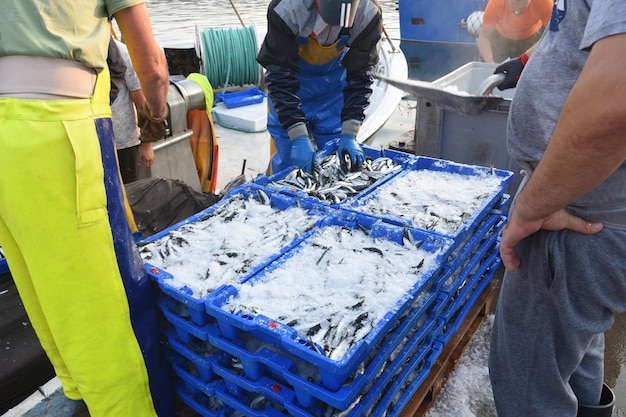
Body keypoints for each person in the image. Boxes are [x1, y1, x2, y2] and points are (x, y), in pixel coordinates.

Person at [0, 2, 174, 417]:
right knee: (108, 301)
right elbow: (151, 68)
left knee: (40, 278)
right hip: (55, 125)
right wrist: (157, 112)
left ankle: (77, 391)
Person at [488, 0, 626, 416]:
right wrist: (527, 62)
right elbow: (583, 39)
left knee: (527, 385)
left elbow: (613, 107)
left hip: (579, 213)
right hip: (583, 205)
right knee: (577, 346)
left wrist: (530, 208)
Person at [257, 0, 382, 174]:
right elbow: (279, 76)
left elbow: (360, 74)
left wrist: (350, 132)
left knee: (337, 166)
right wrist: (298, 135)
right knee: (286, 167)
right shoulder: (286, 8)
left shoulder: (368, 14)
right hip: (289, 92)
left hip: (333, 95)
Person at [108, 36, 155, 184]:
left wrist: (147, 144)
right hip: (93, 141)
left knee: (128, 191)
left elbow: (141, 102)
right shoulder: (77, 52)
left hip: (125, 142)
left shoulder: (122, 52)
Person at [477, 0, 552, 63]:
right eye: (513, 6)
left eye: (522, 7)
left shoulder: (545, 2)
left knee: (532, 69)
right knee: (485, 66)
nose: (517, 11)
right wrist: (490, 64)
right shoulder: (496, 2)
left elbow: (551, 34)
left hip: (529, 38)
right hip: (499, 36)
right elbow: (484, 37)